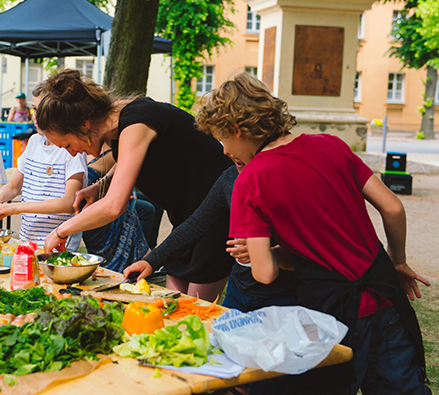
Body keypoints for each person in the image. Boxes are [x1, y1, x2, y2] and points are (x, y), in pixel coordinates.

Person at [195, 72, 431, 394]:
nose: (223, 151)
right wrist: (398, 261)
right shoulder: (332, 145)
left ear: (238, 129)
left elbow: (264, 274)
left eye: (222, 139)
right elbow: (392, 208)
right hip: (384, 297)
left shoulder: (250, 180)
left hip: (331, 316)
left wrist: (268, 253)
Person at [38, 69, 235, 302]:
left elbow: (114, 206)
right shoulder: (116, 121)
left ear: (84, 125)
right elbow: (129, 158)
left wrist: (61, 230)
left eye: (68, 144)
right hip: (184, 216)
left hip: (216, 215)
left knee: (195, 310)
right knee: (171, 301)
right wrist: (99, 185)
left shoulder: (135, 121)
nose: (72, 153)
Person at [124, 164, 297, 312]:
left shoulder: (287, 177)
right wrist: (152, 260)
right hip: (239, 290)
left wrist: (266, 250)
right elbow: (195, 224)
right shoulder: (229, 176)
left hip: (282, 296)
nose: (224, 150)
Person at [0, 84, 87, 251]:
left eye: (40, 109)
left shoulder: (71, 149)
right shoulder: (34, 142)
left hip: (58, 246)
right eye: (34, 109)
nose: (36, 116)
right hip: (27, 241)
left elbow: (68, 203)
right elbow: (15, 186)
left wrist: (16, 207)